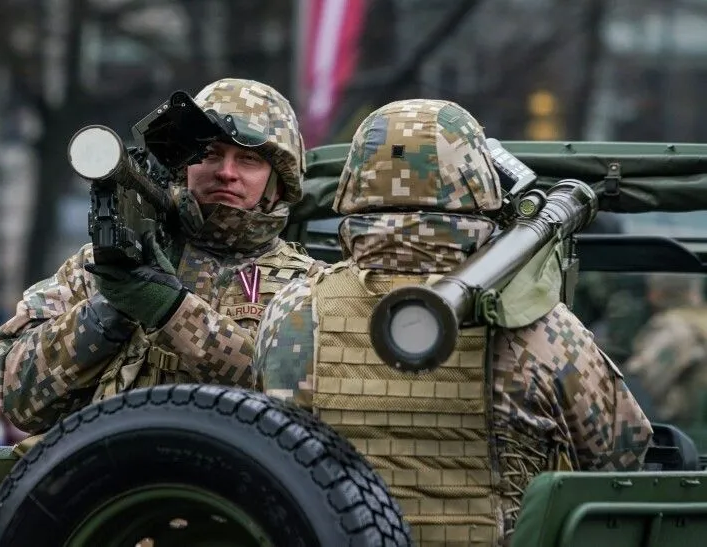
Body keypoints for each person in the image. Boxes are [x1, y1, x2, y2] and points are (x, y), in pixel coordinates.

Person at [253, 99, 653, 545]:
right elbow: (623, 465)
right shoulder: (542, 329)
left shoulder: (291, 311)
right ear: (479, 189)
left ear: (352, 187)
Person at [0, 78, 322, 435]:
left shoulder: (310, 286)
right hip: (116, 481)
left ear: (278, 182)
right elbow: (19, 398)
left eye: (249, 159)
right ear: (184, 166)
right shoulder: (106, 265)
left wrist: (170, 310)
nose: (226, 172)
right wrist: (108, 312)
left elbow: (306, 401)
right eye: (209, 154)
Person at [622, 273, 707, 424]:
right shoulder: (700, 322)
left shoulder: (675, 329)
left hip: (680, 430)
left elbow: (637, 384)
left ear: (656, 293)